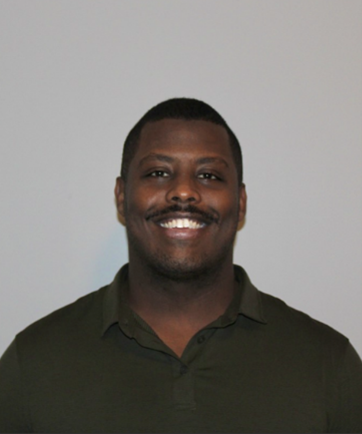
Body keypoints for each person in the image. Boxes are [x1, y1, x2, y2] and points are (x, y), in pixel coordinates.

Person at [0, 98, 361, 433]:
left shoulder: (329, 364)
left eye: (209, 175)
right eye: (158, 172)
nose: (184, 192)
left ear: (241, 202)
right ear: (122, 196)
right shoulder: (32, 363)